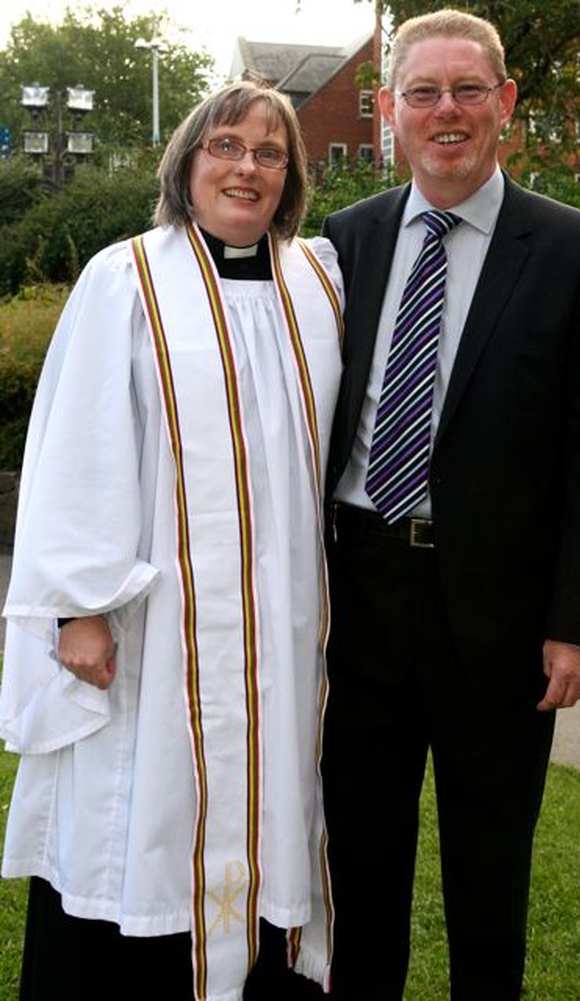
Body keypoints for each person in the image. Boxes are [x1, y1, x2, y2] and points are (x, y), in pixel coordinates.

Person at [0, 80, 343, 1001]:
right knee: (145, 818)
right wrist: (79, 607)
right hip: (156, 628)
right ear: (187, 162)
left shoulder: (316, 283)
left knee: (271, 800)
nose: (247, 167)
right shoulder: (128, 275)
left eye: (270, 153)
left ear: (292, 176)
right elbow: (79, 443)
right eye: (226, 146)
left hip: (275, 629)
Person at [321, 8, 580, 1001]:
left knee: (488, 877)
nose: (444, 111)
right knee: (358, 871)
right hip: (359, 601)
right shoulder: (344, 241)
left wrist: (578, 622)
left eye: (466, 90)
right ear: (389, 111)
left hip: (500, 621)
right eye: (422, 92)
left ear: (504, 105)